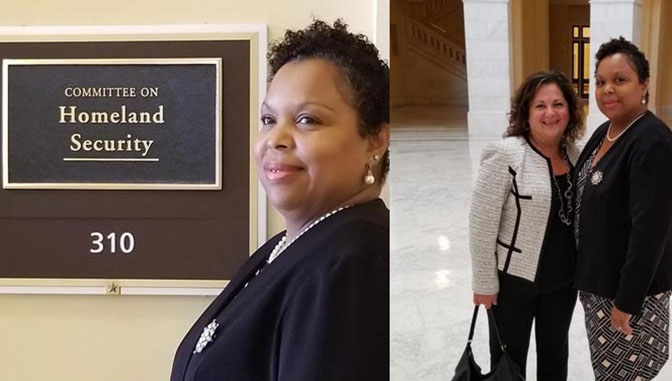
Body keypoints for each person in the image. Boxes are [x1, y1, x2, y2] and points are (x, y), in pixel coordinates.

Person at [170, 19, 390, 381]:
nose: (277, 139)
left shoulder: (353, 263)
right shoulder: (293, 246)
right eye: (269, 119)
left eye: (307, 120)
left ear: (374, 140)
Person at [470, 71, 584, 380]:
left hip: (563, 283)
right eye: (540, 106)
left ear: (570, 111)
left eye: (558, 104)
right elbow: (481, 223)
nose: (550, 113)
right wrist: (484, 283)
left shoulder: (576, 155)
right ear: (526, 113)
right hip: (513, 283)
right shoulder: (507, 154)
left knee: (555, 355)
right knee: (509, 361)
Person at [574, 37, 672, 381]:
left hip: (628, 293)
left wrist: (627, 301)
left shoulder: (653, 141)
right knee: (610, 372)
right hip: (599, 284)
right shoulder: (606, 130)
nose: (607, 90)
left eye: (620, 80)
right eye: (600, 82)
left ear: (643, 85)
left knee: (627, 375)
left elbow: (651, 232)